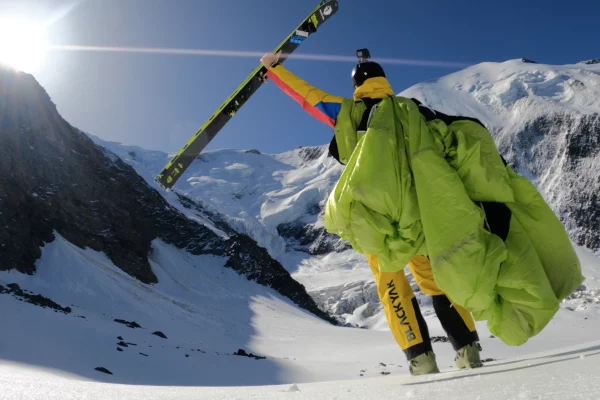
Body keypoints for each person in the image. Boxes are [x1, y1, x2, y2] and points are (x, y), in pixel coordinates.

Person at [259, 49, 583, 376]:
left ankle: (420, 358)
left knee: (391, 284)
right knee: (439, 281)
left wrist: (274, 70)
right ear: (384, 82)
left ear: (358, 85)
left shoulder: (348, 112)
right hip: (421, 216)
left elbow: (309, 98)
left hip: (378, 218)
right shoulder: (413, 111)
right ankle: (468, 351)